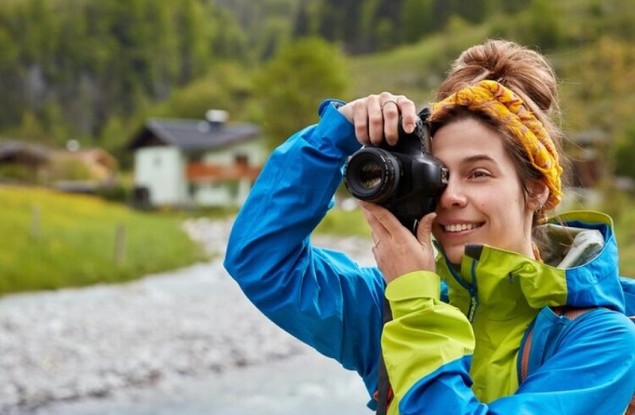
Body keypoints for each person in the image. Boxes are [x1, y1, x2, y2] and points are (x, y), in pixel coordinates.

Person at [223, 39, 635, 414]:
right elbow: (260, 261)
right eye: (439, 175)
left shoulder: (601, 339)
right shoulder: (387, 305)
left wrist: (417, 304)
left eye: (478, 174)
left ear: (537, 192)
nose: (451, 195)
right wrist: (336, 135)